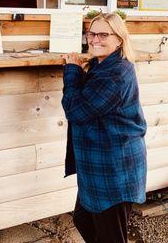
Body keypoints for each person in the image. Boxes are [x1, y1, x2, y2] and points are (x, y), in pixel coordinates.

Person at [61, 12, 147, 243]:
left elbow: (76, 111)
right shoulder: (102, 65)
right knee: (83, 219)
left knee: (111, 236)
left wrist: (71, 71)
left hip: (115, 167)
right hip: (98, 164)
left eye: (103, 34)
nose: (95, 39)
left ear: (119, 39)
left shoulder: (116, 73)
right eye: (91, 33)